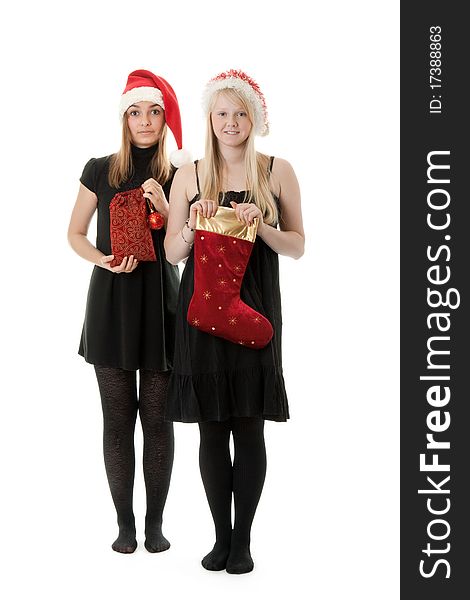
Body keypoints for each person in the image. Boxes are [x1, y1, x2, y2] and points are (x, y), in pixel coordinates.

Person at [164, 69, 305, 574]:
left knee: (248, 428)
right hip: (201, 313)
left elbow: (298, 247)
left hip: (256, 309)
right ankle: (219, 536)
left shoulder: (277, 171)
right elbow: (173, 252)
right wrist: (193, 221)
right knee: (210, 430)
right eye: (222, 113)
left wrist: (261, 224)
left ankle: (243, 540)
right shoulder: (191, 175)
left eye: (240, 112)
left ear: (254, 117)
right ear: (210, 117)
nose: (231, 122)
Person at [68, 69, 190, 554]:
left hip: (161, 303)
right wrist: (101, 259)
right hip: (110, 303)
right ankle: (124, 524)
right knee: (116, 421)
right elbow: (75, 233)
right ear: (124, 118)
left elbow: (190, 243)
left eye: (154, 111)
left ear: (164, 118)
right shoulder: (100, 169)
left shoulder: (182, 172)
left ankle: (155, 523)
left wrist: (169, 202)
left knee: (158, 421)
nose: (144, 120)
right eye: (136, 112)